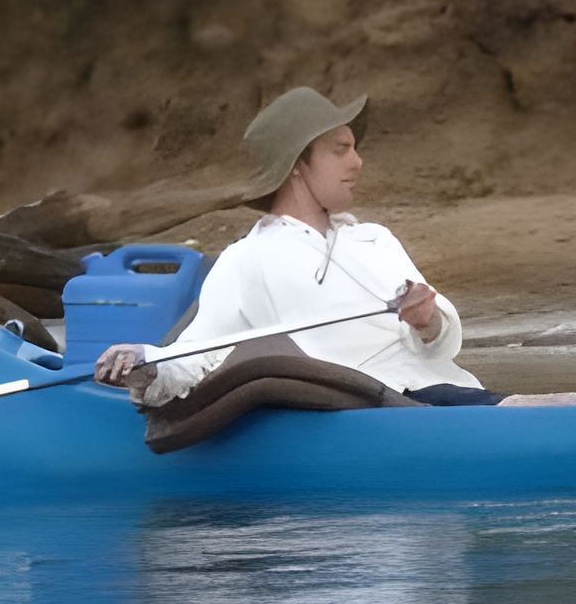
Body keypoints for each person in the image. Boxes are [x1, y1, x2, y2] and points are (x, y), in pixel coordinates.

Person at [100, 86, 510, 407]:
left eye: (354, 148)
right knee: (535, 408)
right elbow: (198, 355)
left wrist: (428, 321)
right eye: (340, 150)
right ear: (296, 163)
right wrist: (145, 362)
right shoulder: (249, 259)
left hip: (452, 394)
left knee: (556, 406)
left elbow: (441, 345)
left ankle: (546, 413)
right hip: (378, 406)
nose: (357, 162)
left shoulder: (376, 240)